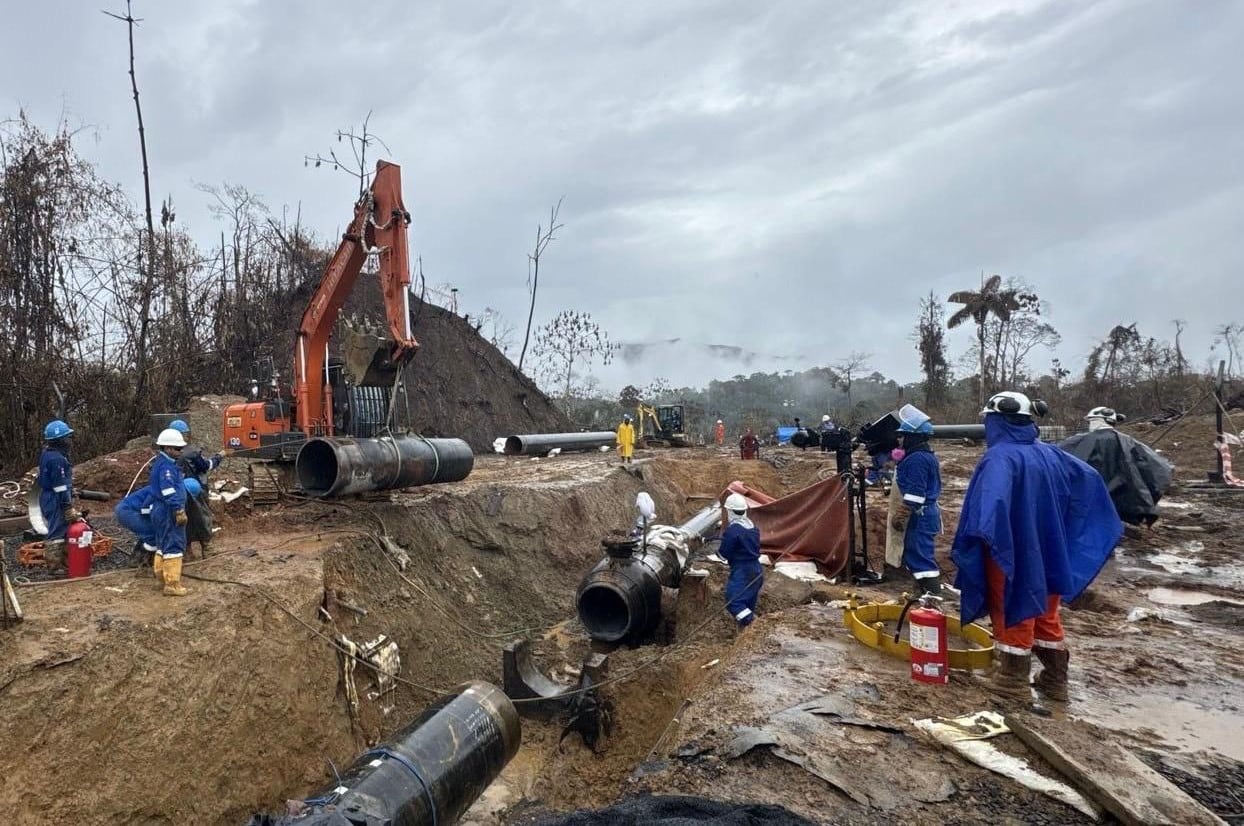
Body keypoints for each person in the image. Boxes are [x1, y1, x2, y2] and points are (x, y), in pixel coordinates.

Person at [952, 392, 1122, 702]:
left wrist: (981, 538)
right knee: (1045, 611)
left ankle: (1012, 681)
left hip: (1011, 549)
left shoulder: (1000, 457)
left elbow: (991, 506)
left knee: (1013, 607)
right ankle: (1055, 679)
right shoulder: (1052, 454)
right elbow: (1089, 480)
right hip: (1050, 550)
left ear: (996, 421)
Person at [1059, 407, 1173, 526]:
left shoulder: (1078, 441)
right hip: (1120, 503)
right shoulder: (1128, 442)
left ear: (1096, 421)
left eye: (1090, 421)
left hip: (1085, 502)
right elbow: (1158, 469)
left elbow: (1057, 458)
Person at [889, 405, 943, 595]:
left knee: (920, 556)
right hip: (925, 514)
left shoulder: (917, 459)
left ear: (914, 437)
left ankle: (932, 597)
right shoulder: (923, 456)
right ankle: (923, 593)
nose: (899, 439)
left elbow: (915, 493)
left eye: (903, 435)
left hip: (921, 515)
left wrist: (902, 513)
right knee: (917, 554)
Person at [169, 419, 224, 556]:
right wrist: (219, 457)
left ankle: (187, 551)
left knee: (183, 519)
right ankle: (207, 547)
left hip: (179, 493)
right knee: (202, 517)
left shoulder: (167, 453)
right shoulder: (192, 452)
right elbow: (206, 466)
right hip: (196, 490)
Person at [149, 427, 190, 597]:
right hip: (168, 511)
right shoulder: (166, 467)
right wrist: (178, 509)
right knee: (173, 544)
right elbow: (168, 491)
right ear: (167, 448)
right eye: (177, 449)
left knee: (162, 545)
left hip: (160, 510)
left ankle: (161, 578)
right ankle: (172, 584)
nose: (180, 452)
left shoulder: (161, 463)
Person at [37, 419, 79, 571]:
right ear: (60, 440)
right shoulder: (57, 459)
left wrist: (70, 490)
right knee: (57, 529)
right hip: (54, 498)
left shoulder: (48, 454)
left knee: (62, 528)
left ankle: (66, 562)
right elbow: (60, 486)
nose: (70, 440)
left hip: (49, 496)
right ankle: (55, 566)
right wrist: (67, 505)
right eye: (67, 437)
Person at [720, 492, 762, 629]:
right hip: (756, 570)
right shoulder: (752, 528)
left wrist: (720, 552)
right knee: (748, 604)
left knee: (734, 603)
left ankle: (755, 625)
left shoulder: (733, 530)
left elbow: (724, 553)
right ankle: (746, 635)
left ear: (730, 511)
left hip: (742, 571)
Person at [114, 485, 158, 568]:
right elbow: (146, 508)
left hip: (126, 509)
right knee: (151, 535)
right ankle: (141, 563)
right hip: (128, 511)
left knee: (150, 531)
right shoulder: (160, 490)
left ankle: (137, 558)